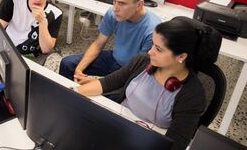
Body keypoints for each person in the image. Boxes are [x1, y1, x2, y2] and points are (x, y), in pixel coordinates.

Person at [75, 17, 215, 150]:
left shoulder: (192, 95)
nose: (150, 52)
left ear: (181, 57)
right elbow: (106, 83)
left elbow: (175, 145)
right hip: (117, 127)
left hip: (147, 143)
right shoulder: (142, 62)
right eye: (153, 45)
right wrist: (73, 94)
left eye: (158, 49)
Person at [59, 0, 160, 81]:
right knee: (67, 64)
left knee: (108, 95)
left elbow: (138, 71)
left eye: (121, 3)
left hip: (131, 72)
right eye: (114, 1)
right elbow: (98, 44)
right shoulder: (113, 13)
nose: (115, 8)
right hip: (114, 58)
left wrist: (96, 83)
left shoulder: (152, 31)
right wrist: (78, 70)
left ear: (139, 5)